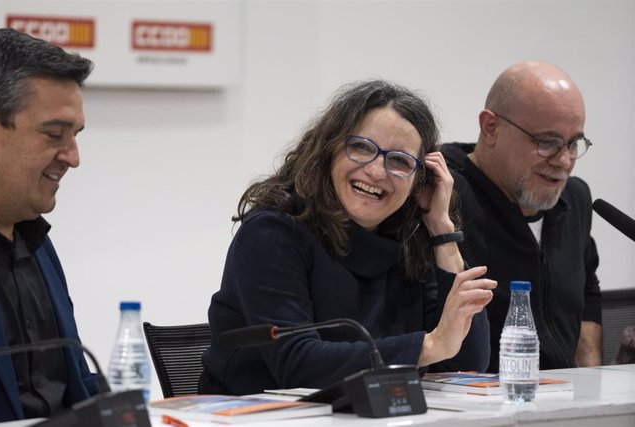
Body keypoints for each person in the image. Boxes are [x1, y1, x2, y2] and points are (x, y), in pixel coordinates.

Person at [199, 80, 497, 395]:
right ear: (329, 149)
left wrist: (441, 229)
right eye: (362, 148)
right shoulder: (272, 233)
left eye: (399, 161)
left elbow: (467, 366)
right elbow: (297, 365)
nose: (377, 171)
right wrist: (430, 345)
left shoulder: (414, 239)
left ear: (419, 180)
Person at [441, 61, 602, 372]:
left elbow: (587, 291)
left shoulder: (576, 198)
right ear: (491, 128)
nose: (564, 161)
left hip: (562, 402)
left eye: (573, 143)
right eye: (548, 143)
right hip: (473, 401)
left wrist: (590, 383)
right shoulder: (442, 193)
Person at [0, 28, 98, 421]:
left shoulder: (36, 242)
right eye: (54, 134)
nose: (73, 158)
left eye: (75, 136)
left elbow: (76, 385)